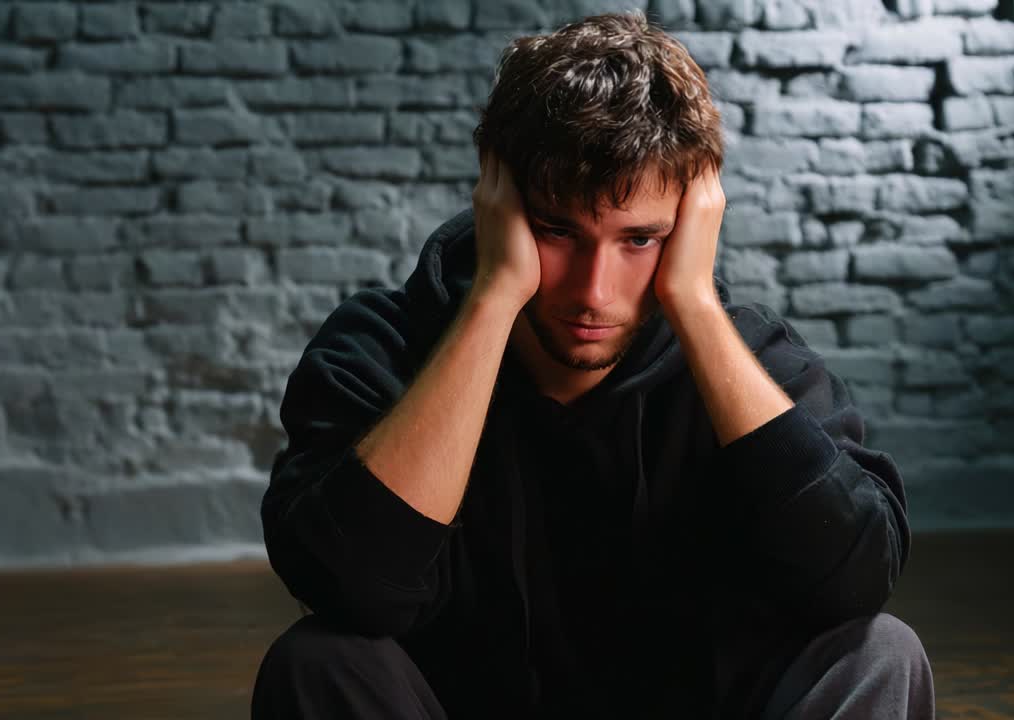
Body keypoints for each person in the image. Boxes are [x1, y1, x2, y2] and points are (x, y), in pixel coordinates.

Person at [251, 11, 933, 720]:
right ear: (496, 203)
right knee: (319, 661)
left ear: (692, 223)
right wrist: (490, 300)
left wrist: (694, 304)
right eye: (556, 232)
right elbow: (351, 589)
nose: (593, 292)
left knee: (880, 654)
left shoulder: (751, 363)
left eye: (640, 239)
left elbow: (853, 583)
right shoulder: (383, 349)